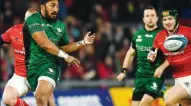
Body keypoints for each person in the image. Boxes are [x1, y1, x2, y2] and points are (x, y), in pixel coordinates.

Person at [23, 0, 95, 106]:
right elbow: (44, 43)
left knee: (41, 96)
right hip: (31, 67)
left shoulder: (61, 26)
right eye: (52, 5)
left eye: (57, 6)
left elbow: (65, 47)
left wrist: (83, 42)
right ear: (42, 7)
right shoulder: (33, 19)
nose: (56, 9)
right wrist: (65, 56)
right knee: (49, 102)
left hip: (50, 66)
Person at [117, 6, 165, 106]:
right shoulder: (137, 35)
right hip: (140, 77)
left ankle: (161, 89)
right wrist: (123, 70)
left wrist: (161, 68)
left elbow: (170, 56)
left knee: (144, 104)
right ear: (143, 19)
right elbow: (130, 53)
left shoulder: (162, 35)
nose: (150, 18)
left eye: (152, 15)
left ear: (156, 18)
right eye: (147, 16)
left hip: (155, 77)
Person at [147, 9, 191, 106]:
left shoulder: (187, 32)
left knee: (168, 99)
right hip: (178, 79)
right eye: (165, 19)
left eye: (170, 19)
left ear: (176, 19)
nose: (167, 22)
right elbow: (152, 52)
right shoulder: (159, 36)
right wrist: (151, 58)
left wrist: (162, 67)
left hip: (189, 77)